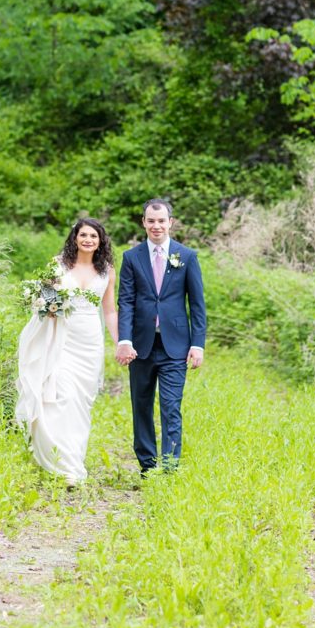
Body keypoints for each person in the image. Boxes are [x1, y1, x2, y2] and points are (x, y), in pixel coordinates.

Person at [16, 218, 118, 485]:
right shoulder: (59, 265)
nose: (88, 240)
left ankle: (74, 458)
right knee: (61, 394)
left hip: (90, 341)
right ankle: (62, 464)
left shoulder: (107, 270)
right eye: (83, 235)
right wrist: (46, 308)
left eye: (93, 236)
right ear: (75, 238)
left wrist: (120, 342)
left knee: (81, 403)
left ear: (100, 241)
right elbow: (45, 298)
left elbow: (109, 310)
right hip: (62, 337)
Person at [116, 198, 206, 473]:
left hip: (175, 346)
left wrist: (197, 344)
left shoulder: (186, 256)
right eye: (151, 221)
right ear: (143, 223)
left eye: (161, 220)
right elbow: (126, 301)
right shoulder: (131, 258)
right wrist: (125, 340)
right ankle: (147, 464)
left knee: (170, 406)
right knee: (141, 405)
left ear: (171, 223)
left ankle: (168, 466)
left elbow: (198, 304)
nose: (156, 226)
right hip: (140, 346)